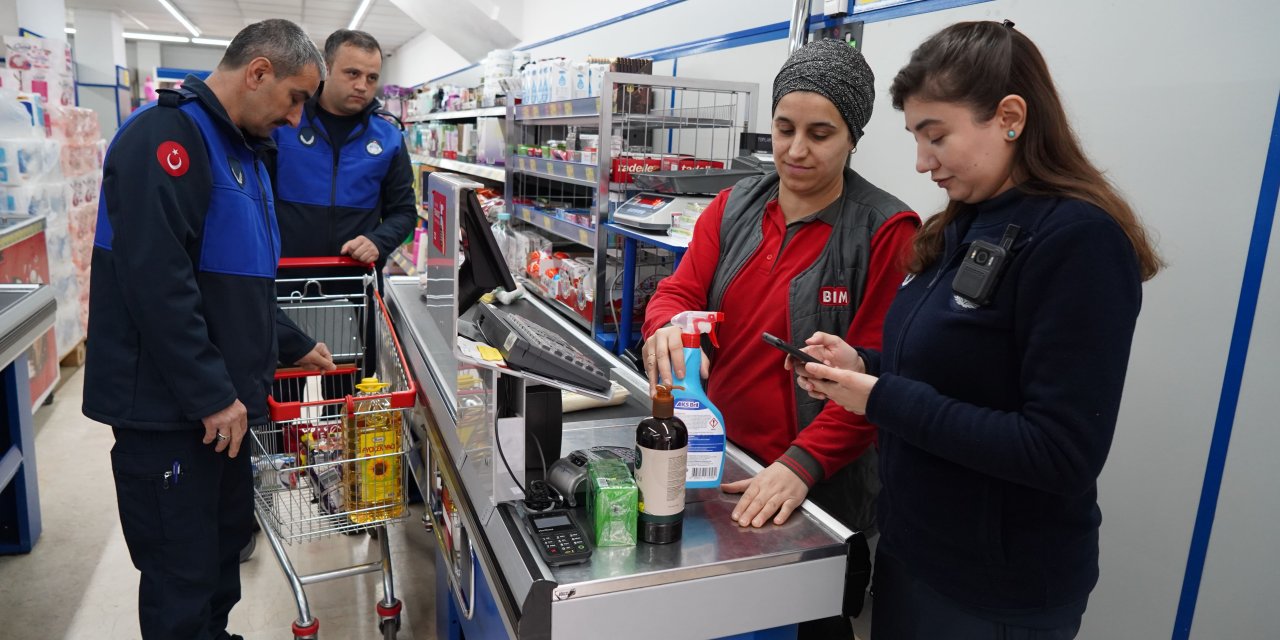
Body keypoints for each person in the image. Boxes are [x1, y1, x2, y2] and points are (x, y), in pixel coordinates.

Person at [791, 20, 1163, 640]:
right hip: (915, 554)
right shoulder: (961, 227)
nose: (921, 161)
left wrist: (883, 399)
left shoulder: (1078, 243)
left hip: (995, 590)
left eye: (936, 137)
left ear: (1010, 116)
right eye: (915, 137)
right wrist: (866, 368)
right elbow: (954, 375)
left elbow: (1058, 451)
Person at [641, 39, 919, 634]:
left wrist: (801, 465)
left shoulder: (886, 231)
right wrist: (664, 325)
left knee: (808, 622)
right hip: (718, 464)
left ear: (853, 137)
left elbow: (878, 383)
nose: (795, 150)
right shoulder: (733, 206)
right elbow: (679, 292)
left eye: (820, 134)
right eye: (783, 127)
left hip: (819, 490)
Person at [82, 20, 336, 640]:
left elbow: (234, 285)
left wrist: (292, 342)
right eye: (296, 97)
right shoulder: (165, 140)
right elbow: (157, 283)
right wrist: (210, 394)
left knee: (221, 559)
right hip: (172, 414)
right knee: (182, 574)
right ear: (258, 72)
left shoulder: (239, 151)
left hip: (221, 414)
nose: (297, 118)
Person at [270, 29, 416, 271]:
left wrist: (378, 241)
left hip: (356, 284)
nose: (362, 86)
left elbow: (404, 212)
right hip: (285, 277)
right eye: (353, 73)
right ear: (326, 69)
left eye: (372, 78)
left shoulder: (389, 138)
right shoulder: (283, 123)